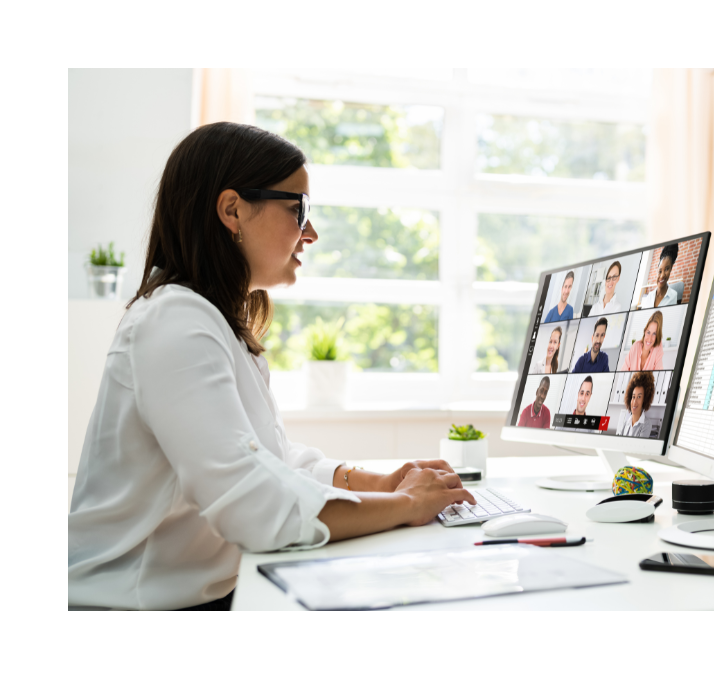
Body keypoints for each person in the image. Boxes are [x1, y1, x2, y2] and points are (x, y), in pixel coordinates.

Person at [68, 123, 475, 611]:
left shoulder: (209, 319)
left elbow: (270, 461)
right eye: (298, 208)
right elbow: (252, 504)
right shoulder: (174, 320)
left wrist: (379, 482)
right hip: (135, 610)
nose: (312, 232)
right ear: (232, 210)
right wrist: (408, 506)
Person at [617, 371, 655, 438]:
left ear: (644, 400)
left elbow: (638, 447)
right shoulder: (626, 423)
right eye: (633, 397)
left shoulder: (646, 424)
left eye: (639, 397)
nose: (634, 402)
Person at [650, 243, 681, 308]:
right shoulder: (649, 296)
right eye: (660, 271)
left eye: (666, 269)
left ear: (671, 269)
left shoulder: (673, 296)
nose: (662, 276)